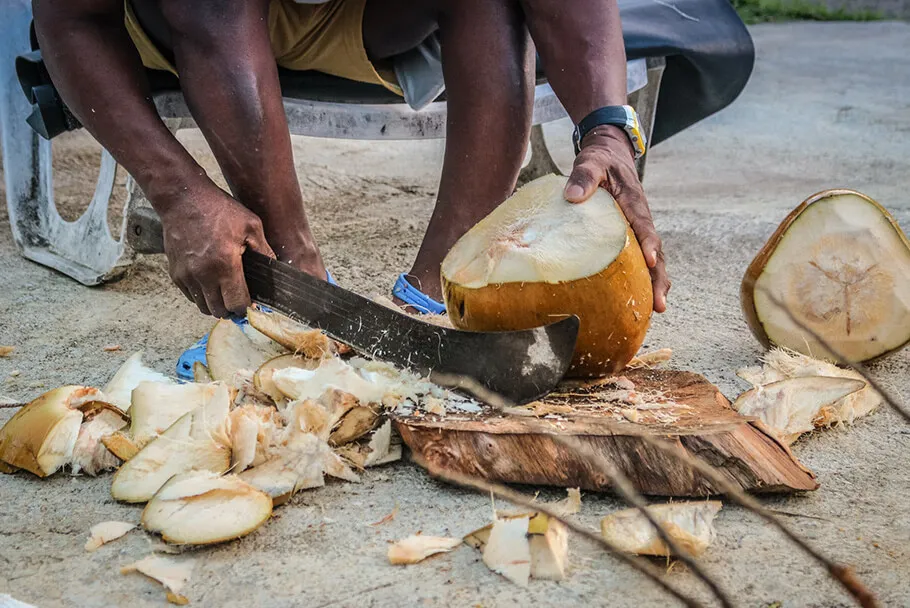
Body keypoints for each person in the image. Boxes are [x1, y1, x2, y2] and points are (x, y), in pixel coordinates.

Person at [33, 0, 671, 371]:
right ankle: (297, 292)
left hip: (358, 19)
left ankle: (442, 292)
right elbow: (70, 18)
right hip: (177, 19)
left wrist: (609, 126)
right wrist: (176, 192)